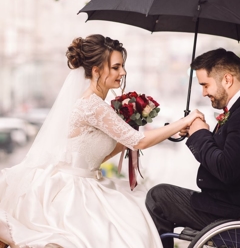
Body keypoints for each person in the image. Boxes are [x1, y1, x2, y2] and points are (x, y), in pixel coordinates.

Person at [0, 34, 204, 248]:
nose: (123, 72)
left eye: (122, 66)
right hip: (75, 189)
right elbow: (139, 142)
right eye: (116, 67)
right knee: (129, 232)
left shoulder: (98, 104)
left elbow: (102, 154)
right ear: (96, 70)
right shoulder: (92, 105)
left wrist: (129, 130)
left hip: (89, 180)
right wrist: (184, 121)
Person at [145, 48, 240, 248]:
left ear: (227, 79)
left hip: (234, 212)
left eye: (205, 85)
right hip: (229, 204)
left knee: (158, 197)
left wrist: (200, 135)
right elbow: (232, 155)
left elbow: (226, 169)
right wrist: (200, 133)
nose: (203, 92)